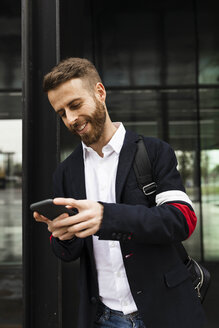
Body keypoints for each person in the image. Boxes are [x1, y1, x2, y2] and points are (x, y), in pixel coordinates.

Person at [34, 57, 207, 328]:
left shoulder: (153, 152)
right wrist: (63, 235)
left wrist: (106, 216)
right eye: (61, 113)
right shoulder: (65, 173)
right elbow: (68, 253)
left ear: (100, 92)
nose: (70, 119)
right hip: (104, 319)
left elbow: (182, 220)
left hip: (166, 313)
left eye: (75, 105)